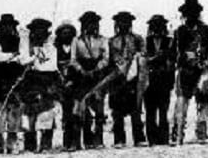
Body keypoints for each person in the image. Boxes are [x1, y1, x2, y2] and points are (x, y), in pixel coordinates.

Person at [172, 0, 208, 144]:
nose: (191, 15)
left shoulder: (205, 29)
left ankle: (201, 131)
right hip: (186, 69)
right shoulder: (180, 31)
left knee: (203, 100)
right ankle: (177, 133)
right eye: (188, 12)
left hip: (202, 69)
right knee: (182, 101)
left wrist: (206, 63)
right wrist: (185, 58)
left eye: (194, 12)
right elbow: (176, 51)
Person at [18, 18, 61, 153]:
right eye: (36, 30)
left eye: (42, 30)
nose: (39, 33)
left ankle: (45, 144)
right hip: (30, 80)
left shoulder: (51, 47)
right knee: (30, 112)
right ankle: (30, 144)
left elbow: (52, 65)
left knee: (47, 112)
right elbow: (23, 60)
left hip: (47, 79)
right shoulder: (26, 46)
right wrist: (34, 57)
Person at [70, 11, 110, 149]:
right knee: (80, 108)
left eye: (94, 23)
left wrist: (97, 68)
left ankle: (97, 140)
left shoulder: (103, 40)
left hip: (97, 75)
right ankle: (79, 141)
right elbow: (73, 59)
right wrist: (81, 70)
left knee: (98, 107)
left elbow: (106, 58)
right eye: (88, 23)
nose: (92, 26)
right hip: (81, 76)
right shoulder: (77, 40)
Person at [107, 11, 147, 148]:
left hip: (133, 78)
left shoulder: (137, 39)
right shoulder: (112, 41)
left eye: (126, 22)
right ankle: (119, 139)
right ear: (117, 24)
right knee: (117, 110)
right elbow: (109, 58)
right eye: (121, 22)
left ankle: (139, 138)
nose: (124, 25)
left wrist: (135, 58)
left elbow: (143, 53)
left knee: (135, 108)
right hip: (117, 79)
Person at [0, 14, 26, 154]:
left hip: (15, 78)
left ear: (14, 27)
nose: (7, 28)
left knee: (15, 112)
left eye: (9, 26)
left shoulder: (20, 41)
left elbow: (22, 57)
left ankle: (12, 142)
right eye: (4, 26)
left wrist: (11, 58)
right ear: (0, 28)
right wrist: (13, 56)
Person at [143, 14, 176, 146]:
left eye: (159, 25)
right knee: (150, 111)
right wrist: (154, 58)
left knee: (163, 110)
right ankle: (151, 138)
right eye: (154, 25)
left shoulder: (170, 41)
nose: (157, 28)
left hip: (164, 80)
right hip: (149, 80)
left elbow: (172, 59)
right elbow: (144, 59)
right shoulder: (146, 41)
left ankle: (163, 138)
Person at [54, 23, 80, 151]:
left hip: (76, 84)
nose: (66, 35)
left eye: (69, 32)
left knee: (76, 114)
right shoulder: (55, 49)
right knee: (66, 114)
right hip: (62, 85)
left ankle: (76, 142)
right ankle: (66, 142)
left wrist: (73, 80)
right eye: (64, 32)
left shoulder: (77, 48)